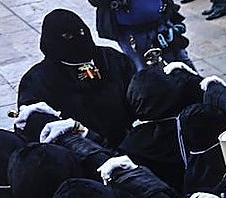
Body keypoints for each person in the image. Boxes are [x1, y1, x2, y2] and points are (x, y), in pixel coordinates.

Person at [17, 9, 137, 147]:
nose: (79, 39)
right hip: (79, 152)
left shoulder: (112, 59)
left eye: (81, 32)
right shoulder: (37, 80)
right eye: (68, 36)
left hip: (126, 143)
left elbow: (137, 96)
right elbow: (36, 123)